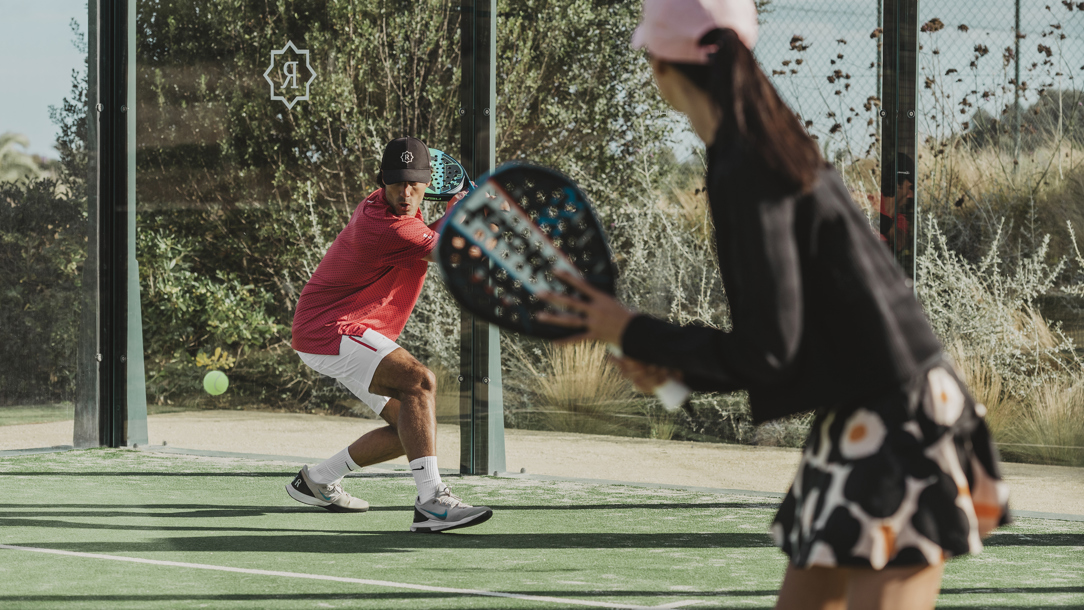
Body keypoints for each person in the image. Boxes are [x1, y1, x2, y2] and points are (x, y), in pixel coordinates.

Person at [539, 0, 1010, 607]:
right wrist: (673, 362)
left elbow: (768, 349)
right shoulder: (757, 144)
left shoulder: (746, 162)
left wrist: (631, 330)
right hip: (867, 410)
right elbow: (782, 340)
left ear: (658, 64)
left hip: (897, 416)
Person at [288, 136, 492, 533]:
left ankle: (317, 480)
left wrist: (460, 211)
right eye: (396, 182)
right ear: (382, 181)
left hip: (341, 328)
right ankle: (432, 501)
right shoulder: (387, 227)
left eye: (414, 183)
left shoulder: (389, 211)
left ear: (428, 183)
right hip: (329, 328)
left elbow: (431, 235)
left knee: (411, 430)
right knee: (420, 381)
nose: (405, 192)